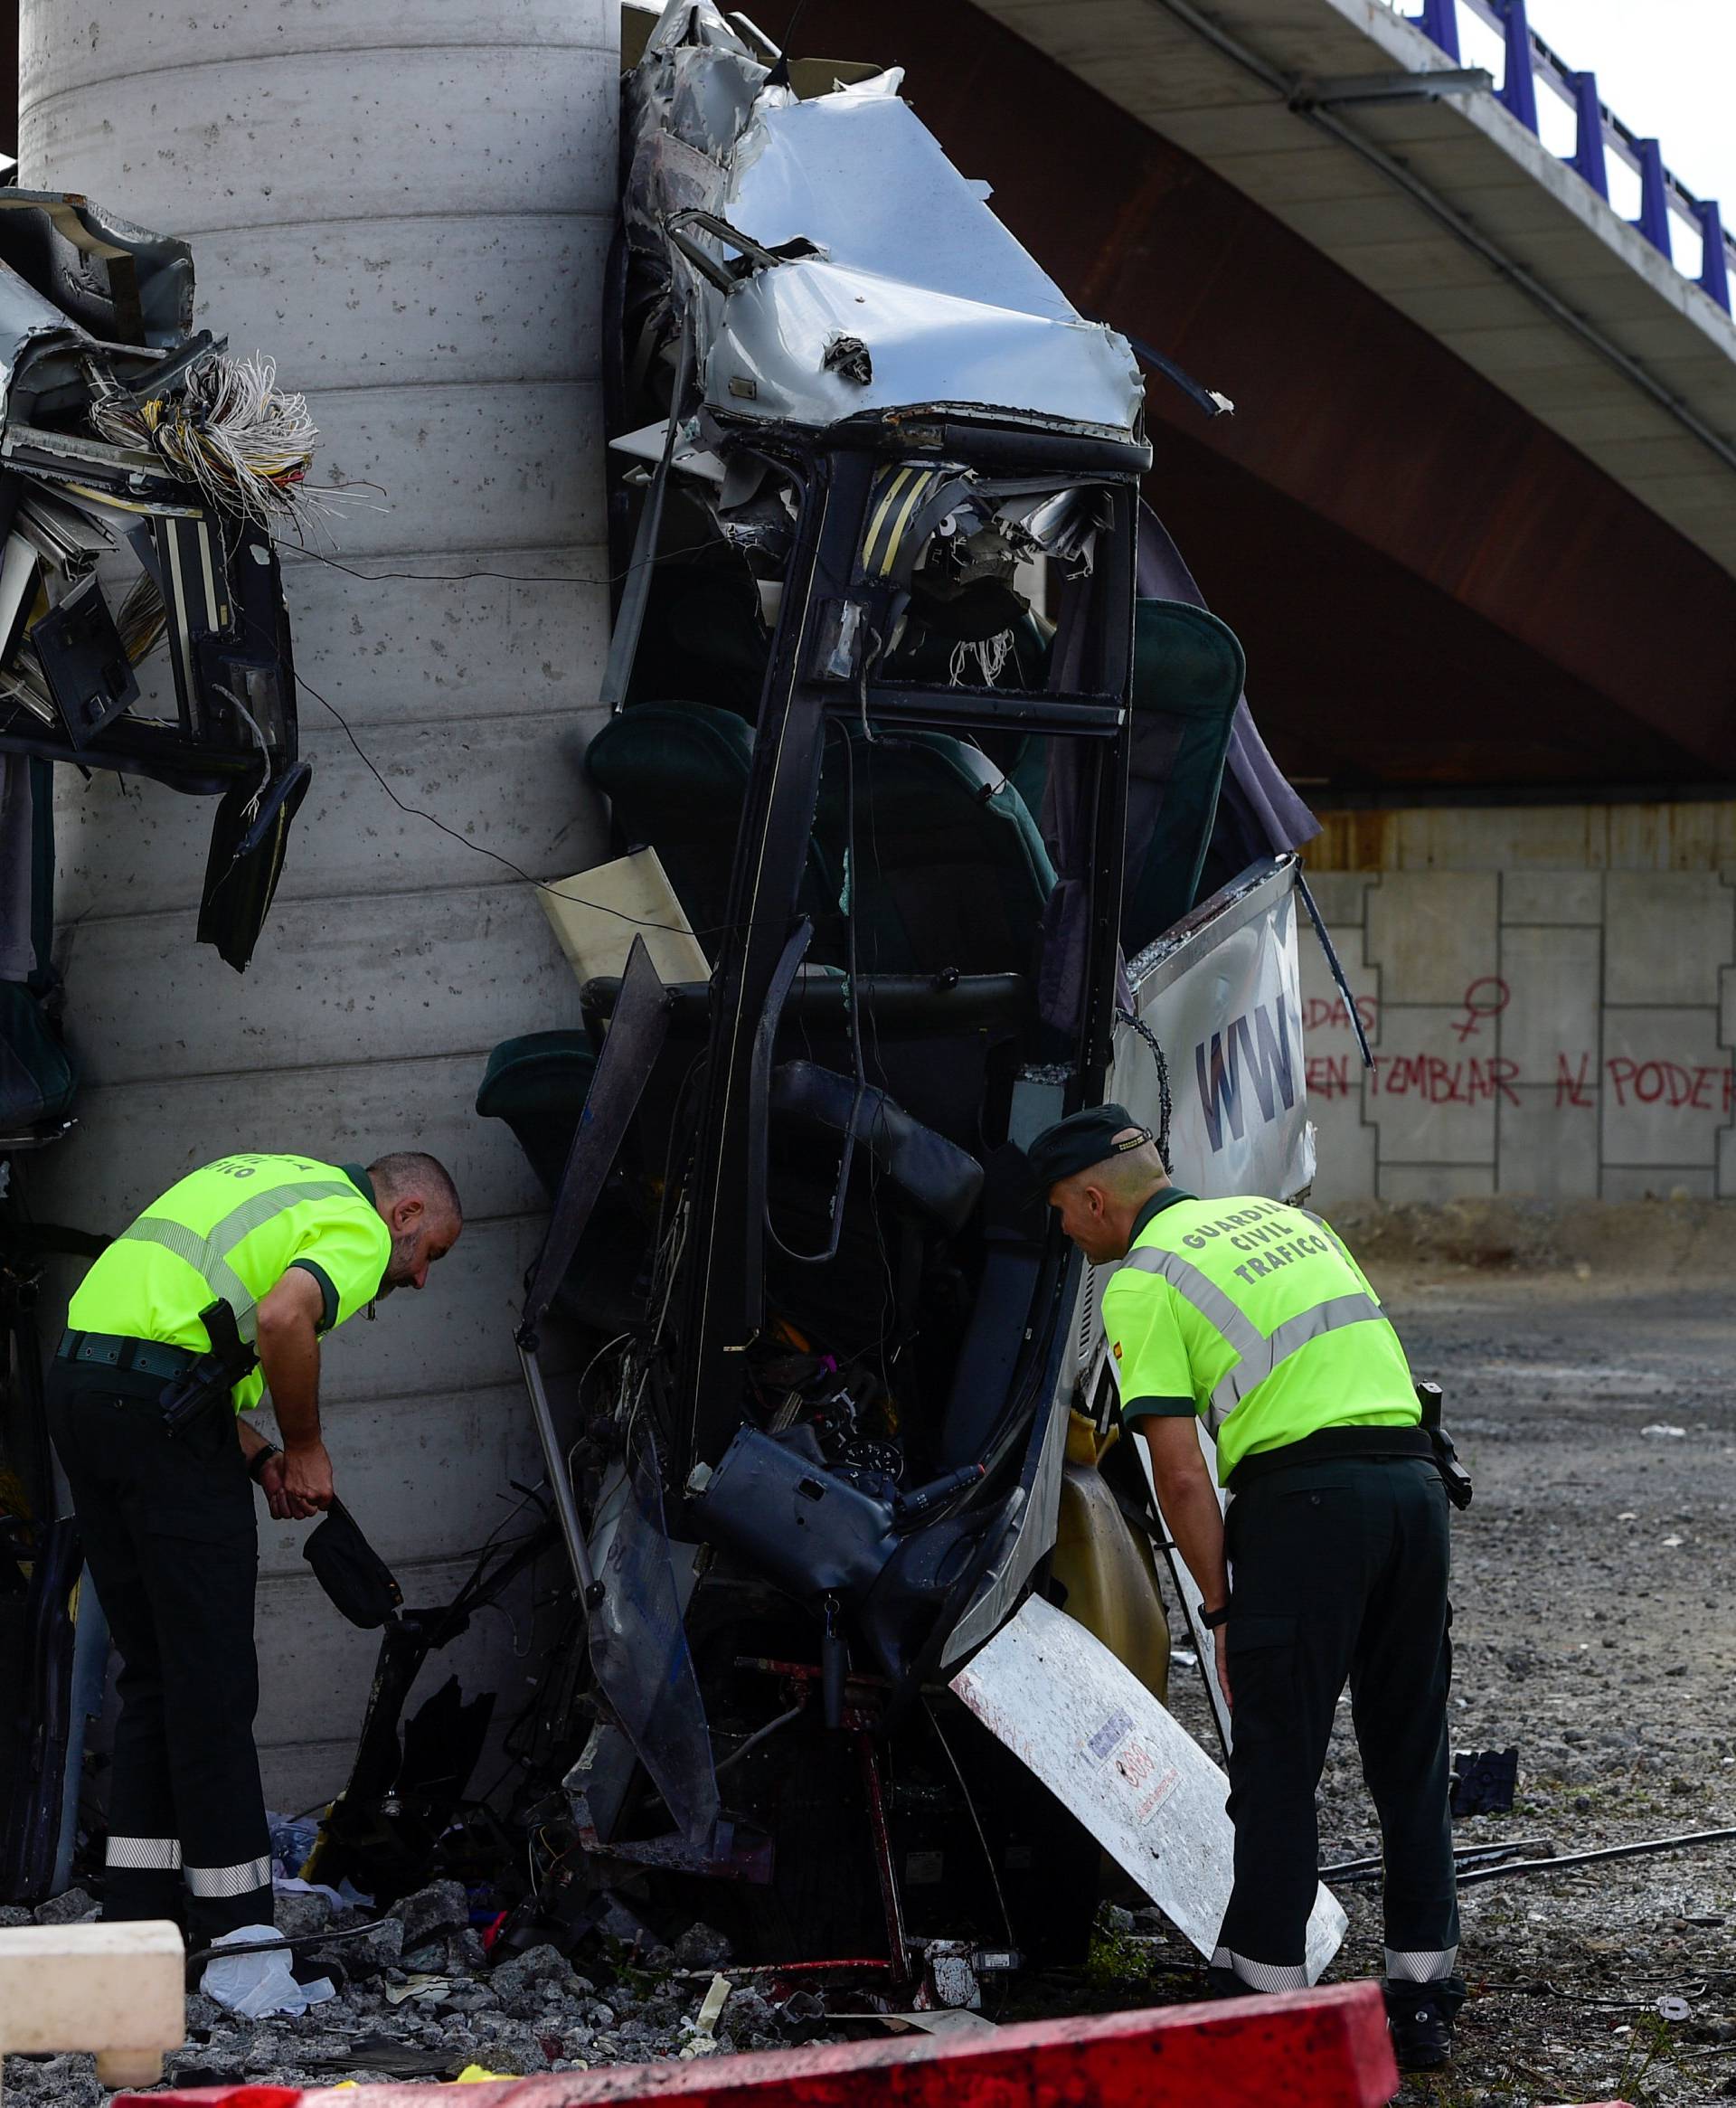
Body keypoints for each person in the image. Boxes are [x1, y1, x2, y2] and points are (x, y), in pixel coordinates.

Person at [1026, 1105, 1461, 2072]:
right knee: (1409, 1753)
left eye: (1062, 1211)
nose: (1064, 1232)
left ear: (1098, 1198)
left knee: (1276, 1765)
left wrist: (1219, 1607)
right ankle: (1423, 1996)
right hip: (1414, 1489)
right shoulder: (1290, 1223)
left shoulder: (1141, 1282)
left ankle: (1263, 1994)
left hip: (1306, 1507)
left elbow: (1180, 1473)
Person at [47, 1149, 462, 1944]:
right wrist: (304, 1445)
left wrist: (263, 1459)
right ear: (404, 1213)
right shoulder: (356, 1223)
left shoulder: (270, 1179)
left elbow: (170, 1361)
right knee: (213, 1682)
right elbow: (281, 1318)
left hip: (85, 1388)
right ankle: (240, 1936)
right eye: (430, 1254)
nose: (418, 1279)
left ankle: (141, 1922)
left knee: (158, 1676)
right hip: (154, 1416)